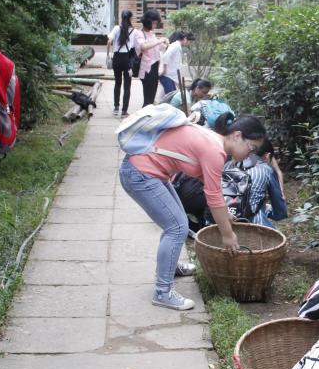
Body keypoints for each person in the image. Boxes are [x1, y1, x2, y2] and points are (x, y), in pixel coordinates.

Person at [119, 113, 266, 310]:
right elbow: (213, 196)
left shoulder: (214, 141)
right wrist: (228, 234)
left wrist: (224, 214)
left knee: (178, 223)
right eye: (252, 148)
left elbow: (210, 186)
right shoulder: (215, 151)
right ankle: (162, 292)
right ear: (237, 136)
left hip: (148, 172)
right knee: (176, 227)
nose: (250, 155)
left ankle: (170, 268)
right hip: (140, 174)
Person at [235, 138, 287, 229]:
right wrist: (269, 211)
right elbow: (280, 212)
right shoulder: (266, 169)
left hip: (225, 220)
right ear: (267, 156)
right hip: (253, 224)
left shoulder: (234, 164)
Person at [106, 10, 138, 116]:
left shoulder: (116, 28)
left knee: (117, 83)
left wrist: (108, 55)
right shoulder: (134, 31)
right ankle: (124, 111)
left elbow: (109, 41)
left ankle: (116, 108)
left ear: (121, 17)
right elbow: (136, 47)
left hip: (117, 59)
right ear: (130, 18)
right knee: (127, 86)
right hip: (127, 60)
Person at [136, 9, 167, 107]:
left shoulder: (151, 34)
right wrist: (159, 41)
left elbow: (157, 47)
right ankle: (145, 114)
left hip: (154, 67)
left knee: (151, 97)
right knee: (148, 98)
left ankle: (147, 113)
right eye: (154, 23)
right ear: (148, 22)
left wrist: (164, 43)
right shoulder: (139, 33)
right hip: (147, 68)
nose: (155, 25)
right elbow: (143, 46)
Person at [158, 30, 193, 98]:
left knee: (168, 96)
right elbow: (166, 56)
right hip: (167, 75)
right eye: (190, 42)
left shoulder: (177, 46)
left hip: (170, 76)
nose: (190, 44)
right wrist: (164, 69)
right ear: (185, 39)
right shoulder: (175, 46)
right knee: (171, 97)